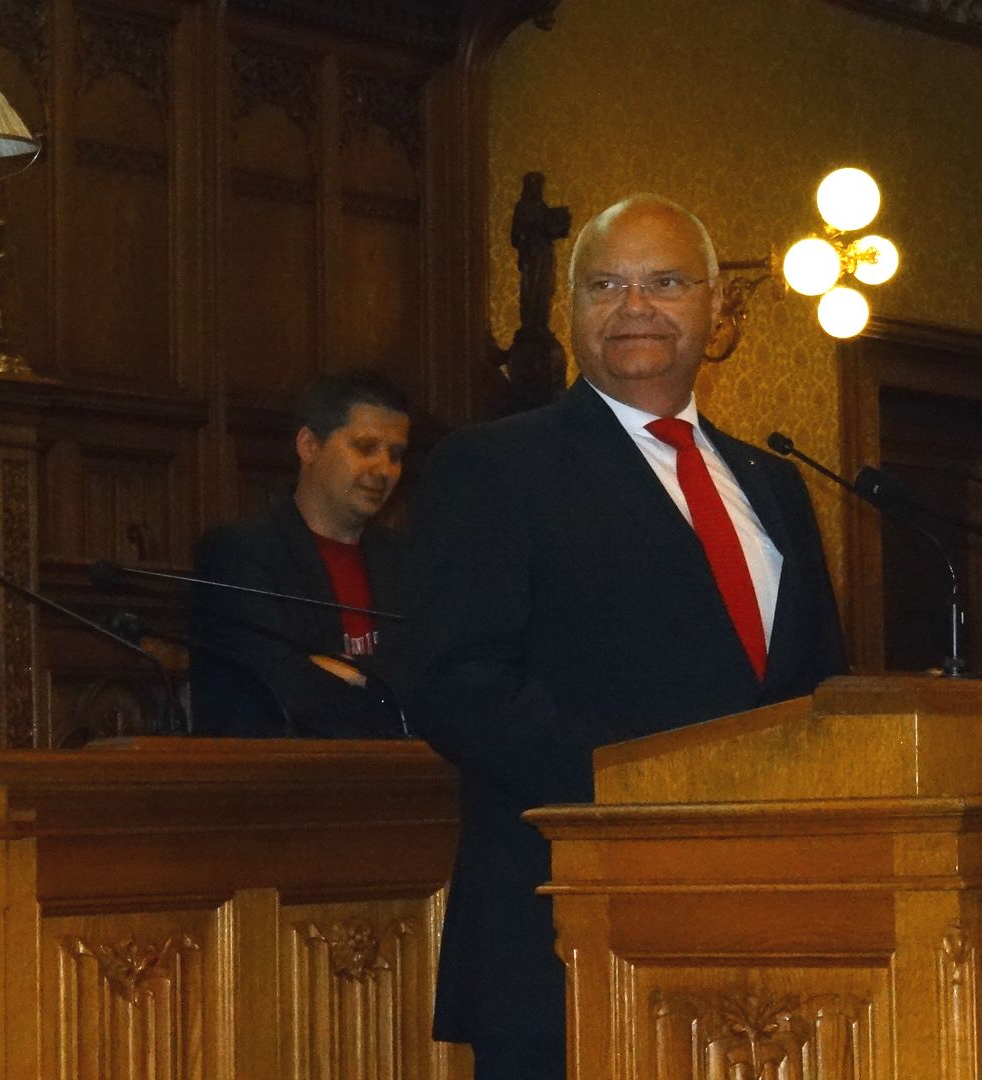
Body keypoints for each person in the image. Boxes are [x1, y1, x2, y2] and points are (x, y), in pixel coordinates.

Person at [410, 194, 848, 1079]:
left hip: (765, 926)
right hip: (567, 927)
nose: (634, 306)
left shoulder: (773, 483)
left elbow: (815, 693)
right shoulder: (496, 465)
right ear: (572, 308)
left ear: (717, 308)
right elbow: (458, 683)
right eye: (605, 285)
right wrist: (647, 792)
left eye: (666, 283)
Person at [188, 370, 413, 738]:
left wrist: (351, 672)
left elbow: (433, 679)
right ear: (309, 446)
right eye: (366, 448)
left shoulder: (407, 561)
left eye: (396, 455)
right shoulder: (239, 554)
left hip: (397, 766)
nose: (384, 469)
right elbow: (291, 692)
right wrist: (388, 686)